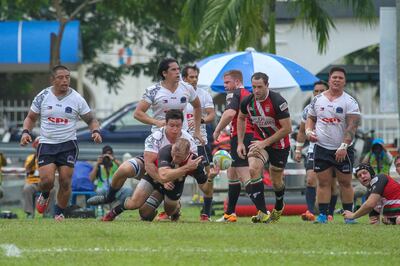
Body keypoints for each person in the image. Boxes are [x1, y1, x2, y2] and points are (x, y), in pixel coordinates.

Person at [20, 65, 102, 221]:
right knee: (47, 181)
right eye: (61, 77)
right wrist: (25, 132)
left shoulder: (77, 98)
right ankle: (44, 195)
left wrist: (96, 131)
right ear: (53, 79)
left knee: (65, 182)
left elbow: (91, 119)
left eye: (67, 77)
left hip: (68, 145)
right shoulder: (43, 95)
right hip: (47, 144)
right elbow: (30, 117)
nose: (65, 80)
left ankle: (59, 213)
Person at [100, 110, 214, 222]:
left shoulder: (191, 146)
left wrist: (210, 178)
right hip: (154, 171)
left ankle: (175, 208)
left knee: (167, 211)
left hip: (174, 180)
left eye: (178, 126)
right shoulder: (159, 141)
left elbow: (205, 188)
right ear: (166, 123)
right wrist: (165, 179)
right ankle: (111, 199)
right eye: (171, 125)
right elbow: (149, 165)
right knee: (135, 201)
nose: (174, 129)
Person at [306, 67, 361, 224]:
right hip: (322, 148)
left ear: (344, 81)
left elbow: (352, 127)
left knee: (345, 183)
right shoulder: (318, 99)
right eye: (334, 77)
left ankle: (349, 216)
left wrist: (344, 146)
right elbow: (310, 118)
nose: (337, 80)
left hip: (342, 149)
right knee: (323, 183)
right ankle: (323, 215)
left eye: (340, 78)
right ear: (329, 80)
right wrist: (309, 131)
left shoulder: (350, 102)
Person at [237, 72, 292, 223]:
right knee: (253, 168)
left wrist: (266, 142)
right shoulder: (247, 102)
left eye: (260, 87)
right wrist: (240, 142)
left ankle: (279, 205)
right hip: (259, 142)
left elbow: (287, 128)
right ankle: (262, 211)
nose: (256, 90)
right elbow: (241, 118)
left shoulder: (277, 101)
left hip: (280, 145)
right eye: (253, 87)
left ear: (267, 85)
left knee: (276, 181)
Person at [212, 70, 254, 223]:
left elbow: (229, 114)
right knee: (232, 173)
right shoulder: (248, 93)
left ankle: (263, 210)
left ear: (237, 82)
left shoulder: (234, 93)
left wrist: (217, 130)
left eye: (227, 82)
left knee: (244, 175)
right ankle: (230, 214)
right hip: (245, 136)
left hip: (241, 137)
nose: (225, 86)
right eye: (224, 83)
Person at [294, 80, 338, 221]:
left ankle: (329, 213)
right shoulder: (308, 109)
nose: (318, 94)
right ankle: (310, 211)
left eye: (321, 91)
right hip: (314, 149)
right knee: (310, 179)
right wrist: (298, 149)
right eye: (315, 91)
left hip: (333, 148)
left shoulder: (336, 105)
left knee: (331, 183)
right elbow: (301, 131)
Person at [134, 58, 204, 144]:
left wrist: (197, 131)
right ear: (164, 73)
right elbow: (138, 113)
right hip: (160, 136)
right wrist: (156, 122)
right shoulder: (153, 90)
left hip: (182, 137)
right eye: (173, 69)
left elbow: (197, 106)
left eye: (178, 69)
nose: (178, 72)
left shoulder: (187, 88)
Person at [182, 65, 216, 220]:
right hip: (181, 144)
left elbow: (212, 115)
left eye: (196, 77)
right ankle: (171, 210)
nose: (194, 80)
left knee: (209, 177)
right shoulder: (178, 95)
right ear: (184, 78)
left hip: (200, 143)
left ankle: (206, 212)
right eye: (191, 77)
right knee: (176, 177)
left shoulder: (203, 95)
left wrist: (200, 120)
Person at [22, 137, 56, 218]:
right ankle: (30, 213)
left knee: (52, 190)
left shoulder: (50, 158)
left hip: (45, 184)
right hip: (33, 183)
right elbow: (28, 170)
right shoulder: (30, 157)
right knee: (27, 188)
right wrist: (35, 157)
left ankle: (47, 213)